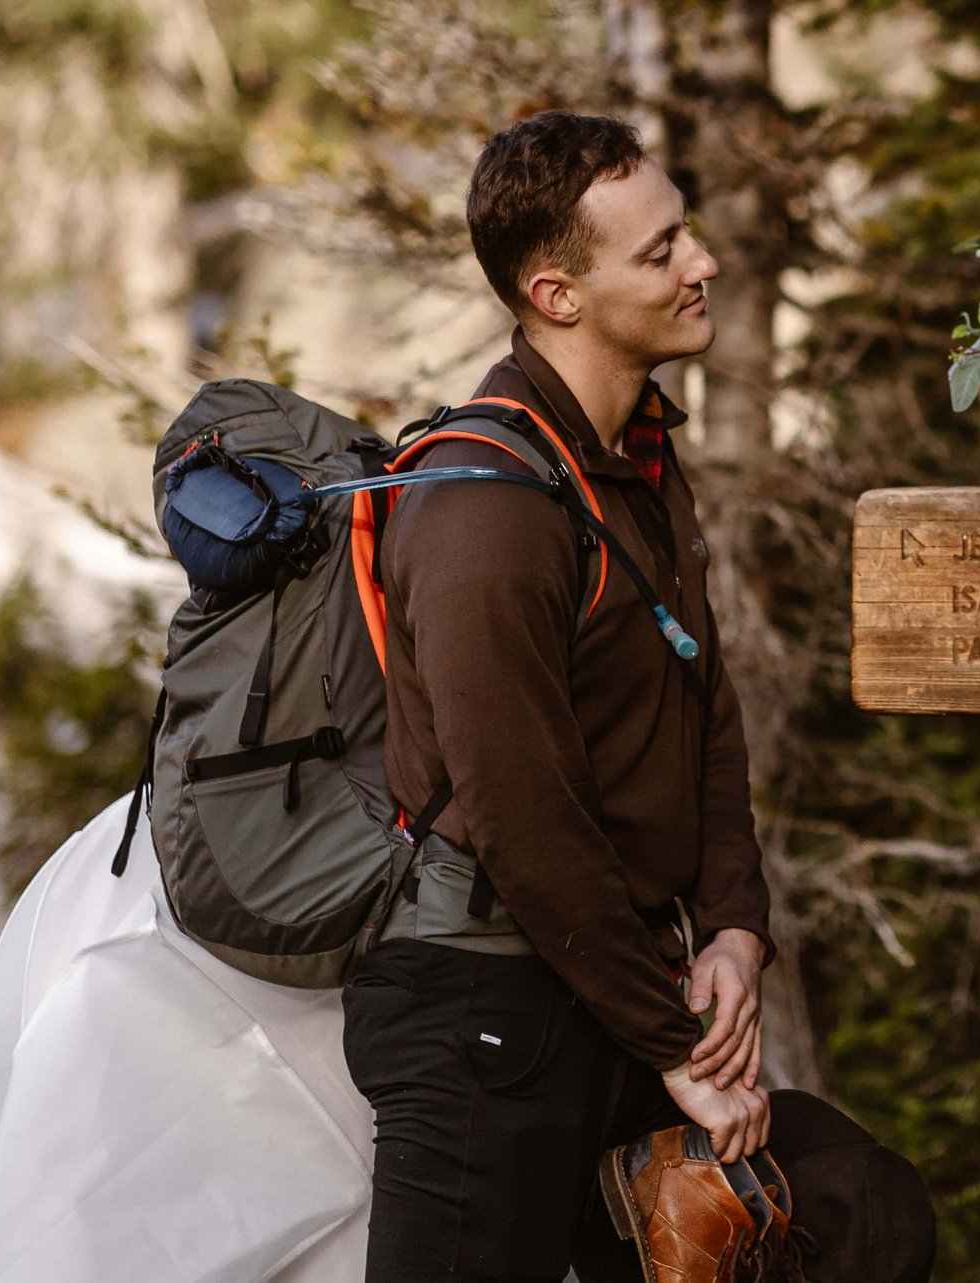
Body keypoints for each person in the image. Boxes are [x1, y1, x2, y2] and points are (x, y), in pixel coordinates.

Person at [348, 110, 934, 1283]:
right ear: (558, 295)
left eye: (689, 235)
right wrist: (676, 1042)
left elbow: (702, 707)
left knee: (857, 1210)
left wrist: (733, 926)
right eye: (660, 248)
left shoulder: (638, 458)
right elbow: (521, 812)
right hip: (484, 1014)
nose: (700, 262)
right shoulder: (484, 507)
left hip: (622, 981)